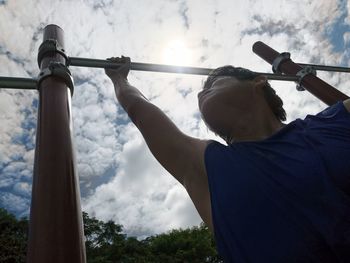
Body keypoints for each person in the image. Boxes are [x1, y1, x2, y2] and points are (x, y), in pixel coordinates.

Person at [105, 56, 350, 263]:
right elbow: (138, 108)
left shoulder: (334, 122)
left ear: (258, 81)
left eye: (214, 82)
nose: (202, 92)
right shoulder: (204, 165)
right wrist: (119, 79)